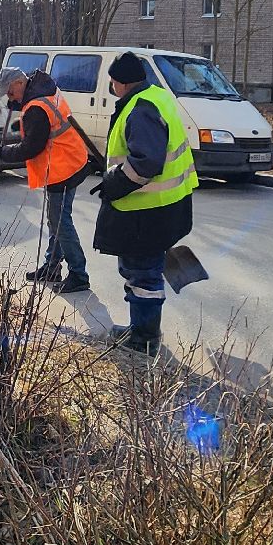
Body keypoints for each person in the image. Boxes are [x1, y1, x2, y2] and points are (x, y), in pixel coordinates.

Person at [91, 52, 197, 356]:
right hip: (168, 205)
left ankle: (144, 338)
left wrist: (115, 185)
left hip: (145, 211)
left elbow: (146, 162)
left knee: (142, 275)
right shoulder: (156, 96)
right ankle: (142, 329)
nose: (111, 85)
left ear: (121, 82)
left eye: (112, 80)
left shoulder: (140, 109)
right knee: (146, 269)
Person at [0, 66, 94, 293]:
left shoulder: (36, 109)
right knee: (56, 220)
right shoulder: (44, 89)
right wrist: (17, 105)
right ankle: (51, 267)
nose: (10, 97)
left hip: (62, 166)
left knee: (60, 223)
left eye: (10, 93)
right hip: (71, 159)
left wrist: (4, 153)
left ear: (19, 83)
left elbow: (31, 148)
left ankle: (79, 275)